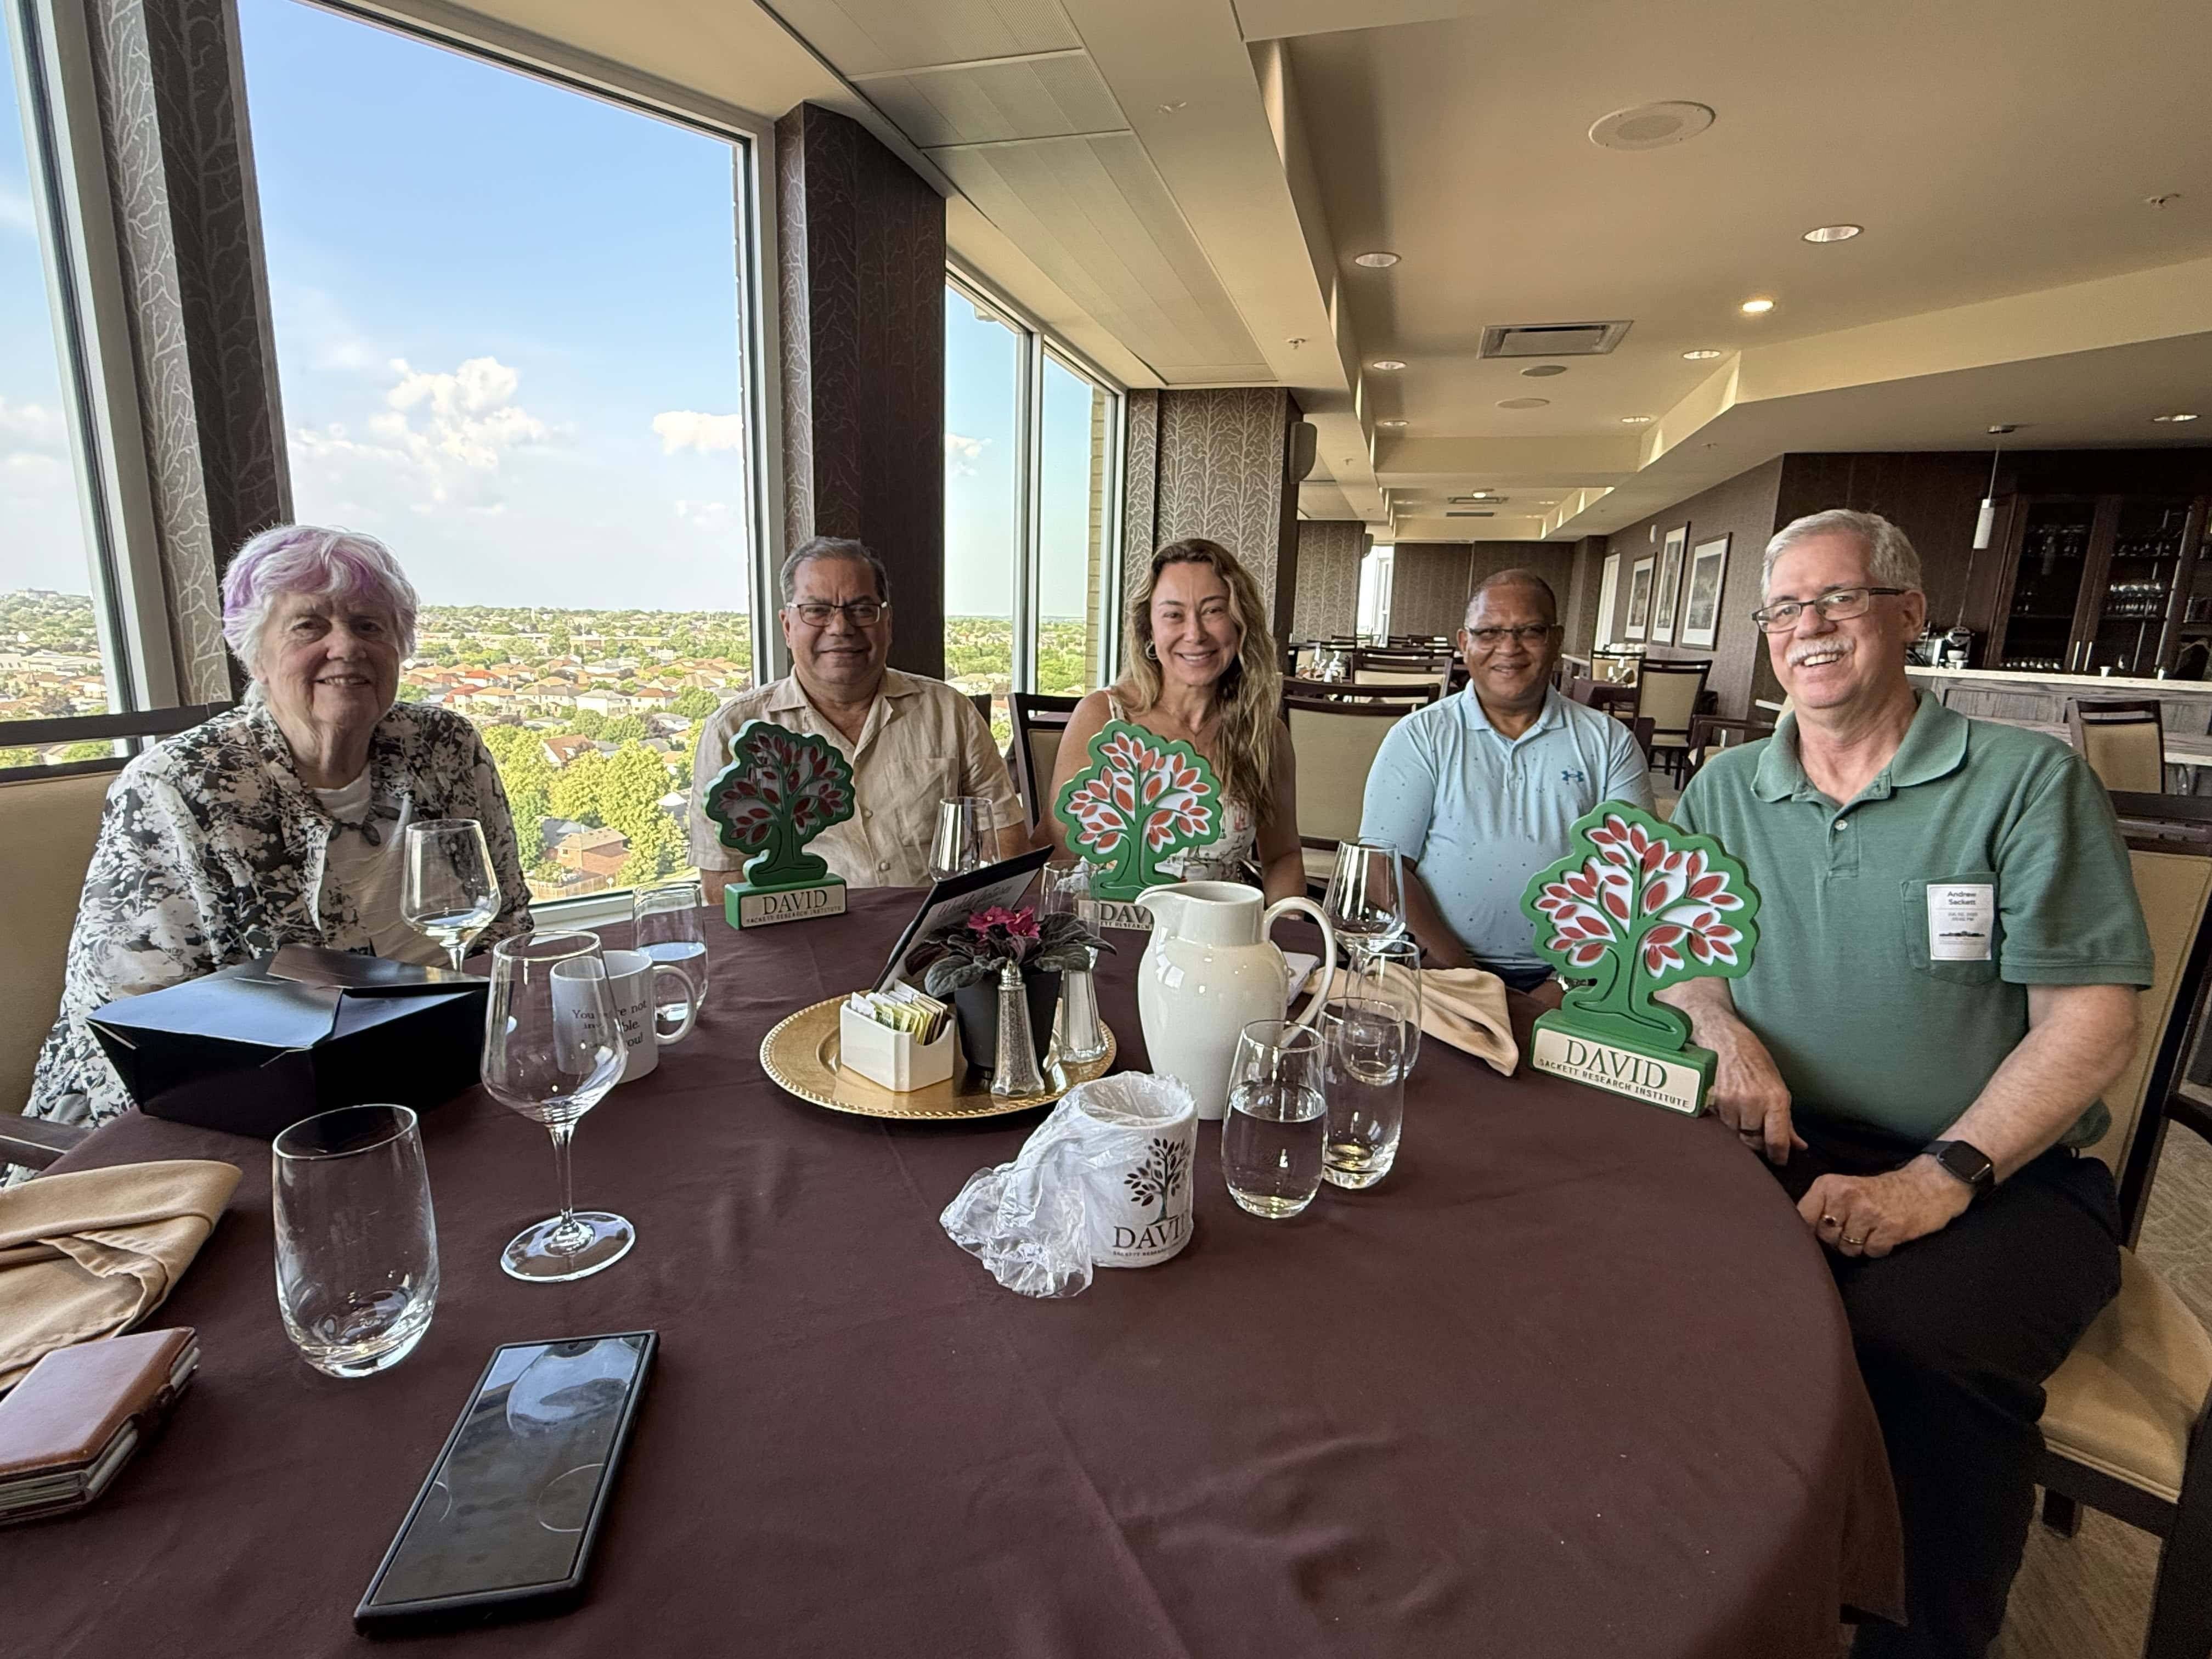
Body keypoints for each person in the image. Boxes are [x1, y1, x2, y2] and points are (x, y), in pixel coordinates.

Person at [1663, 509, 2149, 1659]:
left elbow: (2092, 1023)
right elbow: (1677, 961)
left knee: (1909, 1341)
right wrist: (1721, 1029)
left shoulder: (2024, 783)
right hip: (1774, 1142)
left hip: (2001, 1171)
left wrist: (1941, 1178)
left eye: (1837, 600)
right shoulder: (1726, 792)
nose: (1809, 628)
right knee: (1635, 1284)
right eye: (1785, 609)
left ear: (1909, 614)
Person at [27, 524, 533, 1131]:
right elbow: (129, 1028)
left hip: (437, 1076)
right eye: (309, 625)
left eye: (370, 625)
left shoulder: (444, 746)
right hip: (232, 1115)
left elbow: (504, 926)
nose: (345, 646)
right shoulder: (182, 784)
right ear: (256, 655)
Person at [1358, 569, 1651, 990]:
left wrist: (1564, 983)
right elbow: (1382, 868)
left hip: (1582, 978)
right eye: (1489, 632)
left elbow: (1634, 874)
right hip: (1439, 971)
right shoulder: (1419, 737)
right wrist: (1467, 978)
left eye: (1529, 631)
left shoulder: (1608, 742)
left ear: (1555, 640)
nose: (1508, 648)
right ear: (1464, 644)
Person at [687, 537, 1022, 895]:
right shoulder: (734, 730)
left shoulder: (950, 712)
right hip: (800, 942)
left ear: (887, 623)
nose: (841, 627)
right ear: (787, 627)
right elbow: (722, 880)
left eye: (862, 610)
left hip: (934, 937)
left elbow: (1006, 843)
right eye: (817, 610)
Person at [1043, 537, 1304, 902]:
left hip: (1217, 940)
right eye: (1174, 614)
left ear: (1240, 623)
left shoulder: (1265, 734)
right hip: (1107, 933)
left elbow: (1282, 857)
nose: (1195, 634)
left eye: (1213, 611)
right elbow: (1057, 850)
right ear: (1149, 629)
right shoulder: (1103, 717)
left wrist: (1283, 933)